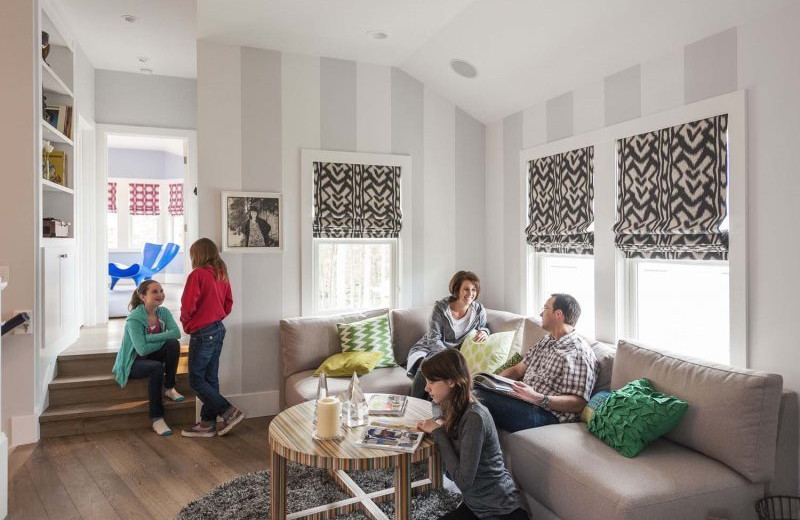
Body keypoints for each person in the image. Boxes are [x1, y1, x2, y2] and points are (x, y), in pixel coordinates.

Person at [416, 349, 528, 520]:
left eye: (431, 381)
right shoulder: (454, 408)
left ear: (451, 381)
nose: (426, 388)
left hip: (501, 512)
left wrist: (439, 433)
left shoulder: (475, 417)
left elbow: (463, 481)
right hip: (476, 507)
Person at [475, 293, 597, 433]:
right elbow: (518, 370)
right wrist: (493, 382)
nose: (540, 313)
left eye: (545, 308)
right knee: (469, 389)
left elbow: (579, 403)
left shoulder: (578, 352)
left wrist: (538, 398)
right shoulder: (546, 340)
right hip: (523, 401)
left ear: (558, 314)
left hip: (547, 414)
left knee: (478, 396)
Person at [180, 238, 245, 437]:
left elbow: (188, 305)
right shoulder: (221, 274)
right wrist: (215, 317)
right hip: (218, 329)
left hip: (203, 332)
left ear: (197, 255)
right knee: (210, 378)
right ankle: (207, 423)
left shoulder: (197, 275)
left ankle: (229, 411)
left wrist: (187, 322)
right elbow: (228, 303)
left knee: (196, 380)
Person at [111, 280, 184, 436]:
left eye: (161, 290)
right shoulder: (134, 319)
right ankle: (157, 419)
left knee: (173, 344)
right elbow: (141, 349)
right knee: (156, 367)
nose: (160, 294)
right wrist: (160, 338)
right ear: (143, 297)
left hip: (150, 355)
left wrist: (150, 337)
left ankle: (169, 388)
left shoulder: (163, 312)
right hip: (133, 362)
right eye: (154, 292)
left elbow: (176, 334)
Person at [407, 271, 489, 398]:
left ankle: (433, 410)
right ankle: (415, 404)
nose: (470, 293)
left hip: (453, 354)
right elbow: (433, 339)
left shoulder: (478, 310)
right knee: (429, 366)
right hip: (429, 348)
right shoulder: (440, 308)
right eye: (466, 289)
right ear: (457, 290)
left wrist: (484, 332)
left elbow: (483, 327)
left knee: (441, 376)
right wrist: (449, 358)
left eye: (474, 289)